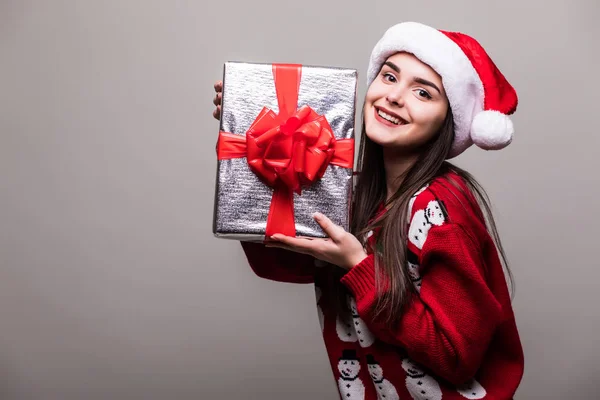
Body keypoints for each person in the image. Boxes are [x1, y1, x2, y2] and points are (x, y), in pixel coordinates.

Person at [212, 21, 524, 400]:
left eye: (423, 92)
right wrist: (254, 139)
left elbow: (455, 356)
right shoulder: (355, 193)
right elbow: (279, 261)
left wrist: (359, 266)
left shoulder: (439, 210)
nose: (394, 97)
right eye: (389, 77)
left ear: (449, 120)